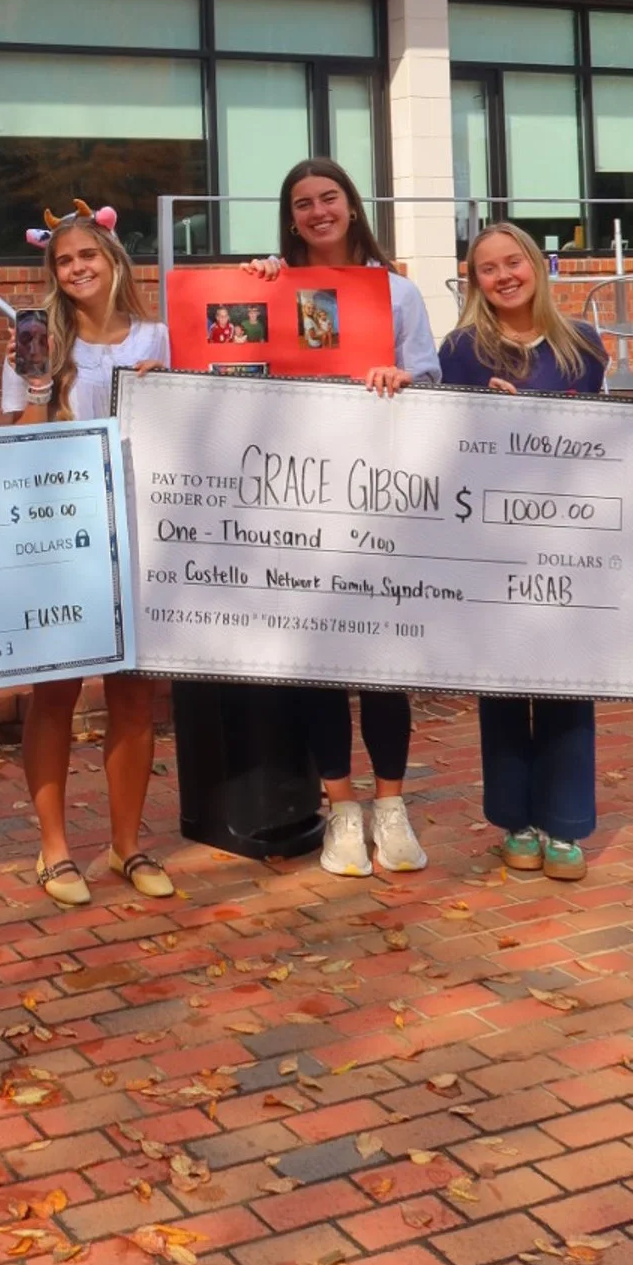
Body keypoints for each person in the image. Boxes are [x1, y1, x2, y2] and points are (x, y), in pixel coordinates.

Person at [244, 158, 439, 879]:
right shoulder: (273, 285)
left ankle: (392, 807)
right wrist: (253, 288)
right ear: (290, 218)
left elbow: (429, 374)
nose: (318, 211)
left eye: (329, 198)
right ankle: (342, 812)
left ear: (352, 207)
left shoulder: (398, 292)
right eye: (303, 204)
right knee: (320, 662)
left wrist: (402, 377)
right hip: (296, 493)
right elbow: (240, 368)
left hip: (378, 490)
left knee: (382, 659)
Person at [3, 200, 173, 904]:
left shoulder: (159, 337)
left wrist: (173, 392)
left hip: (144, 529)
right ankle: (54, 849)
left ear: (114, 262)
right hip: (64, 536)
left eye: (88, 257)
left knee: (134, 698)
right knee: (57, 692)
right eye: (64, 261)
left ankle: (127, 846)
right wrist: (45, 388)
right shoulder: (38, 343)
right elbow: (17, 440)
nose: (77, 269)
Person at [439, 222, 608, 882]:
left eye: (514, 262)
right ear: (474, 280)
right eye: (488, 268)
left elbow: (599, 440)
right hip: (491, 544)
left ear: (536, 266)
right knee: (504, 684)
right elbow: (444, 439)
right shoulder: (460, 351)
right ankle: (515, 820)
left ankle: (565, 825)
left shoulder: (583, 347)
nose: (504, 275)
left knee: (569, 682)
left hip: (567, 544)